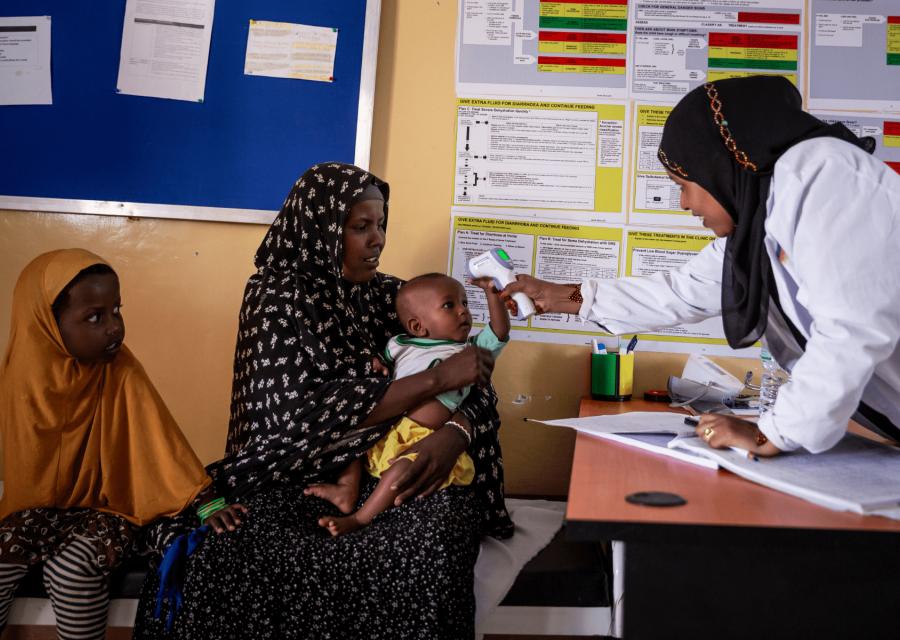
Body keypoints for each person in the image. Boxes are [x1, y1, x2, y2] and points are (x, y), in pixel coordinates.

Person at [133, 162, 513, 639]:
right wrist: (434, 382)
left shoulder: (391, 297)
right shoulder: (277, 298)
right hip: (288, 475)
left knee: (439, 531)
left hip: (393, 470)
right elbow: (298, 415)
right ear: (320, 230)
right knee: (229, 554)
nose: (377, 239)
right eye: (360, 227)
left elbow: (475, 378)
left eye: (380, 225)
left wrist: (453, 436)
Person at [504, 76, 900, 457]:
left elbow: (849, 327)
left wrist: (772, 434)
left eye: (683, 183)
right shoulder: (760, 224)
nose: (684, 204)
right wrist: (557, 296)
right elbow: (678, 292)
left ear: (721, 166)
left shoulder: (824, 175)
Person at [0, 249, 242, 640]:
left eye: (117, 310)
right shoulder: (20, 377)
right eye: (94, 317)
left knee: (73, 569)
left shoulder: (121, 372)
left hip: (109, 507)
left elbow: (162, 445)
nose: (114, 327)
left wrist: (207, 502)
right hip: (34, 509)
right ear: (46, 324)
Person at [308, 272, 510, 535]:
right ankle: (347, 490)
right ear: (417, 327)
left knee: (400, 473)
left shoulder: (470, 351)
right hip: (388, 428)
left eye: (465, 303)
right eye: (450, 305)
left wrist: (493, 294)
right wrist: (375, 363)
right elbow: (380, 363)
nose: (463, 311)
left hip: (423, 438)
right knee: (352, 439)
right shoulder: (399, 343)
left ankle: (361, 518)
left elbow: (499, 331)